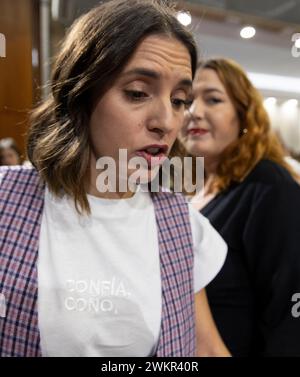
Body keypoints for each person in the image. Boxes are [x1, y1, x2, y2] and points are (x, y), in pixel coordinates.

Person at [0, 0, 229, 357]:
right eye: (137, 93)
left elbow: (207, 348)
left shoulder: (183, 228)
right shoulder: (6, 199)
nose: (166, 122)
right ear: (80, 93)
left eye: (180, 100)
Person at [180, 57, 300, 356]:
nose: (194, 112)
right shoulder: (189, 190)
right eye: (185, 101)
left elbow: (288, 309)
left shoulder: (269, 185)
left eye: (213, 99)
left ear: (243, 115)